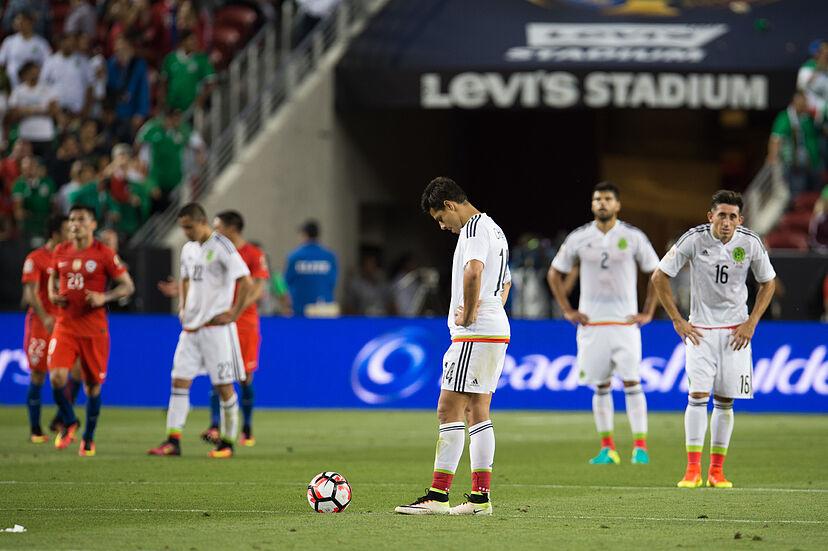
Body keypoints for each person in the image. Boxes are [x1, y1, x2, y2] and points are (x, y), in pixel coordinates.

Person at [395, 177, 510, 516]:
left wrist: (471, 314)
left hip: (475, 333)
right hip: (493, 329)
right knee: (477, 411)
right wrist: (490, 308)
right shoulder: (495, 230)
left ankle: (438, 495)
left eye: (440, 218)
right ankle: (479, 499)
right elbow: (505, 282)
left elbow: (473, 272)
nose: (442, 226)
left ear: (449, 205)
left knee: (448, 408)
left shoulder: (473, 230)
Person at [652, 190, 776, 489]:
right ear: (711, 216)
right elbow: (659, 276)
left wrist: (752, 322)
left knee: (725, 401)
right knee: (697, 397)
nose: (726, 222)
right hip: (700, 333)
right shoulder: (693, 239)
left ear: (740, 219)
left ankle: (716, 472)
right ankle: (692, 470)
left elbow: (768, 283)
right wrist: (677, 320)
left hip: (736, 333)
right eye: (721, 215)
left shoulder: (750, 242)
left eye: (732, 216)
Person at [548, 182, 660, 465]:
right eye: (598, 199)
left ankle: (640, 447)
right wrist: (567, 309)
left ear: (617, 205)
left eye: (608, 199)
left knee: (632, 382)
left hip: (624, 324)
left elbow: (656, 273)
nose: (602, 203)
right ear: (592, 204)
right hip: (592, 324)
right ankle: (607, 448)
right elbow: (554, 273)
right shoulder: (579, 237)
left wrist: (648, 311)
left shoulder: (633, 236)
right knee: (601, 385)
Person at [147, 203, 253, 458]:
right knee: (178, 382)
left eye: (189, 227)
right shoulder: (188, 249)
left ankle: (227, 443)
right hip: (191, 330)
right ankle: (173, 440)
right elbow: (185, 278)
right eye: (183, 228)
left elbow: (246, 281)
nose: (186, 232)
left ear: (202, 222)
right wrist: (182, 305)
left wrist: (234, 314)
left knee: (224, 387)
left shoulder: (223, 246)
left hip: (217, 331)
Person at [47, 204, 135, 456]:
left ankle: (88, 437)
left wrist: (103, 297)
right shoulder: (60, 250)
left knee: (92, 386)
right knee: (56, 378)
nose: (75, 224)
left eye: (81, 219)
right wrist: (53, 294)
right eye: (72, 219)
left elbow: (127, 286)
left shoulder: (103, 253)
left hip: (94, 329)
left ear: (93, 224)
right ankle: (70, 420)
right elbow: (53, 277)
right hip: (65, 325)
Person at [187, 210, 269, 447]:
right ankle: (215, 426)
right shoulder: (213, 250)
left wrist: (236, 310)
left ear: (232, 228)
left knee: (244, 377)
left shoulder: (253, 253)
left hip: (244, 322)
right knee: (218, 373)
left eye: (218, 226)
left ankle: (247, 428)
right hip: (219, 320)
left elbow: (257, 289)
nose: (214, 231)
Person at [21, 214, 76, 442]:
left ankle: (63, 420)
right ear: (55, 234)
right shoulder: (36, 258)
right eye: (67, 230)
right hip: (41, 324)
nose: (72, 234)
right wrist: (44, 317)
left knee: (74, 371)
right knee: (38, 373)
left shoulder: (70, 257)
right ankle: (36, 429)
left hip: (65, 324)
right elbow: (30, 293)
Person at [767, 92, 821, 198]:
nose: (805, 105)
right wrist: (773, 156)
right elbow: (775, 139)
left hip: (811, 162)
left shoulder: (807, 118)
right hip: (792, 163)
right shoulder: (784, 117)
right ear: (795, 102)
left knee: (812, 190)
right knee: (797, 191)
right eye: (802, 103)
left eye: (805, 103)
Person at [8, 61, 61, 158]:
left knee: (45, 163)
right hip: (26, 135)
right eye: (32, 72)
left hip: (45, 135)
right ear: (25, 73)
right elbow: (14, 114)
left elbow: (53, 111)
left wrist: (26, 111)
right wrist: (42, 110)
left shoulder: (48, 89)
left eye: (36, 72)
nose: (35, 75)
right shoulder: (18, 91)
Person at [284, 220, 337, 316]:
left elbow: (287, 282)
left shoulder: (295, 256)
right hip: (324, 309)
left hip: (300, 310)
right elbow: (332, 281)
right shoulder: (329, 256)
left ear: (305, 235)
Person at [39, 32, 93, 121]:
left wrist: (86, 110)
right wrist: (52, 108)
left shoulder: (83, 61)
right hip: (56, 111)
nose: (69, 44)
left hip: (77, 110)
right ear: (60, 43)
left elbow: (89, 87)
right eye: (66, 41)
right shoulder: (50, 62)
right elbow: (43, 85)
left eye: (71, 42)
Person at [160, 29, 215, 112]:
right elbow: (163, 83)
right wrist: (163, 101)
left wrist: (201, 98)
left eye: (195, 40)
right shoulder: (170, 59)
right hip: (172, 109)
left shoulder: (201, 59)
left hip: (192, 110)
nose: (194, 43)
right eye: (191, 40)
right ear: (183, 42)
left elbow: (211, 82)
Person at [0, 10, 51, 88]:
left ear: (31, 22)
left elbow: (48, 64)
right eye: (18, 21)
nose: (20, 24)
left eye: (23, 21)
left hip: (34, 85)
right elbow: (1, 62)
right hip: (12, 84)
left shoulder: (41, 43)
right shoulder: (9, 41)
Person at [11, 155, 56, 243]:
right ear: (21, 169)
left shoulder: (48, 183)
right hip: (28, 227)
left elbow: (54, 207)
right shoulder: (19, 184)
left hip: (46, 226)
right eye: (26, 168)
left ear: (37, 167)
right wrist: (32, 216)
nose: (29, 170)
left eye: (31, 166)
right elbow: (18, 211)